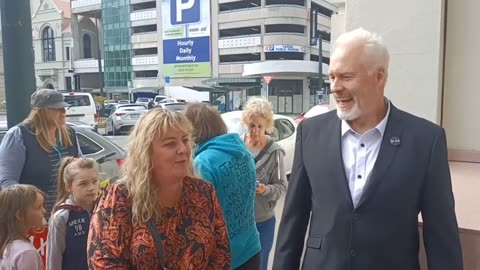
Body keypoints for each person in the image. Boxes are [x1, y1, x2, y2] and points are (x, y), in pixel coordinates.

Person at [273, 28, 463, 270]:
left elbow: (441, 237)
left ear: (379, 76)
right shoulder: (311, 132)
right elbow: (293, 221)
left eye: (346, 77)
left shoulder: (426, 140)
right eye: (332, 77)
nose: (335, 87)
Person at [87, 108, 231, 269]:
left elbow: (221, 254)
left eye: (185, 140)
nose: (183, 149)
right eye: (170, 144)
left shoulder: (203, 192)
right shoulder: (120, 197)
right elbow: (104, 262)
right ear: (146, 152)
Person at [184, 103, 261, 270]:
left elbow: (197, 220)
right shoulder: (242, 151)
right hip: (251, 247)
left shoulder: (203, 163)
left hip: (224, 258)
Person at [0, 89, 81, 216]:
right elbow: (7, 181)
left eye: (64, 108)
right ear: (41, 111)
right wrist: (30, 203)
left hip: (68, 215)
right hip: (35, 220)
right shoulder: (19, 135)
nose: (64, 112)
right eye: (57, 109)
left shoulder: (70, 133)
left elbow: (80, 170)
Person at [241, 97, 287, 270]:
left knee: (260, 265)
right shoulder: (238, 146)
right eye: (252, 125)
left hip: (263, 222)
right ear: (246, 123)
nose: (256, 131)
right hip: (240, 222)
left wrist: (265, 189)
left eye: (260, 126)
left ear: (267, 125)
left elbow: (282, 186)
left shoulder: (274, 152)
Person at [47, 157, 99, 270]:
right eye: (83, 184)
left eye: (95, 181)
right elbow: (53, 258)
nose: (91, 188)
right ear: (68, 187)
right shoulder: (62, 217)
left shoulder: (104, 210)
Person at [0, 184, 47, 270]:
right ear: (20, 215)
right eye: (39, 207)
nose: (44, 211)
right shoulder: (26, 253)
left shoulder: (8, 244)